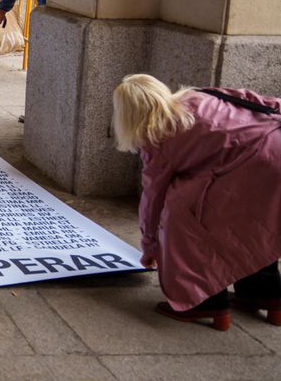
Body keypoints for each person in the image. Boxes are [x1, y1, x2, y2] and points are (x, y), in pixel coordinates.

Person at [112, 74, 281, 330]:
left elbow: (153, 198)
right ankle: (267, 295)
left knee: (183, 215)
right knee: (255, 227)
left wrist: (150, 245)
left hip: (252, 169)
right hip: (275, 144)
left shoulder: (156, 136)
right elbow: (251, 99)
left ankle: (206, 303)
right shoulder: (198, 95)